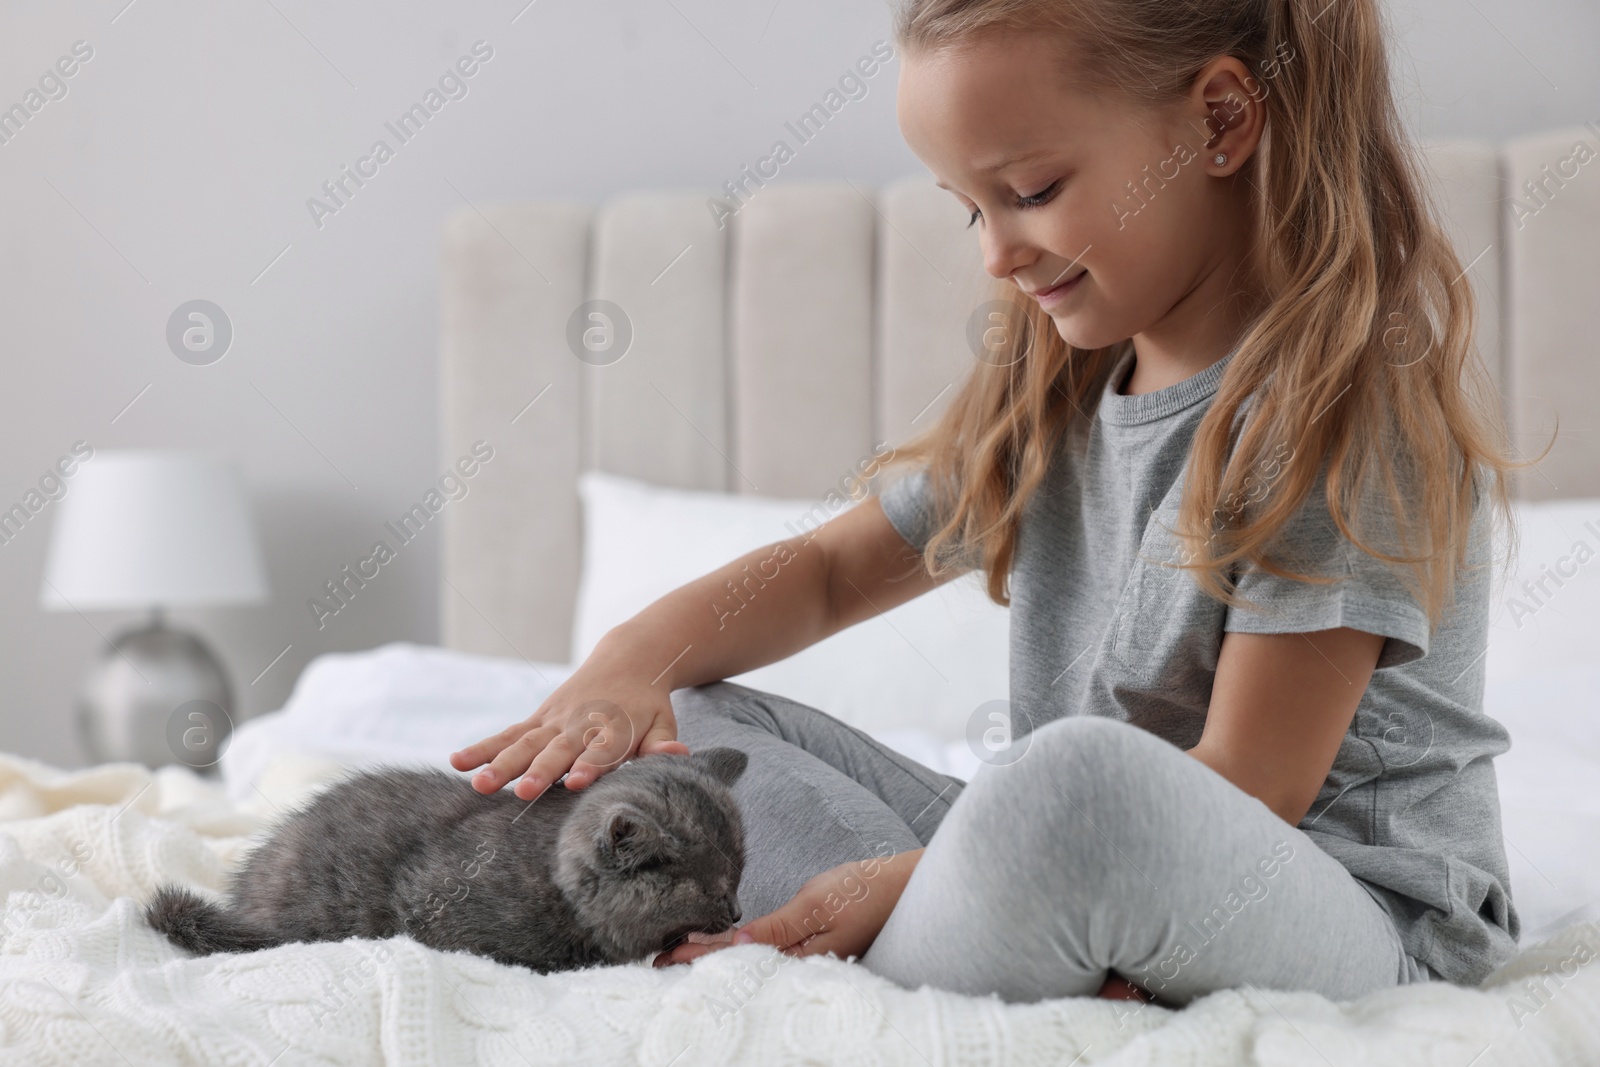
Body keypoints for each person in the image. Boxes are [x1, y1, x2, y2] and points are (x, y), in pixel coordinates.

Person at [450, 0, 1533, 1005]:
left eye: (1031, 192)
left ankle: (901, 949)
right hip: (1075, 851)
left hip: (1351, 918)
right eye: (969, 208)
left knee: (1065, 780)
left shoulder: (1341, 411)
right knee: (689, 725)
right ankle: (958, 934)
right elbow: (831, 573)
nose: (997, 253)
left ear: (1219, 120)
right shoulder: (1060, 390)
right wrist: (626, 660)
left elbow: (1248, 790)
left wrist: (911, 872)